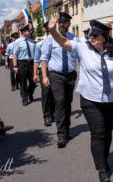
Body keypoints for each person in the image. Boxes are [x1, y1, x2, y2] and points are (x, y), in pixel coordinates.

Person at [47, 15, 113, 182]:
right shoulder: (83, 48)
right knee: (98, 133)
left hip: (112, 100)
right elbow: (63, 42)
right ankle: (101, 170)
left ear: (104, 37)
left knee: (108, 133)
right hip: (90, 100)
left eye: (94, 36)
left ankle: (103, 158)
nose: (91, 38)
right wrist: (53, 29)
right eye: (90, 35)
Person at [40, 12, 78, 148]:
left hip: (70, 75)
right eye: (60, 22)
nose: (62, 24)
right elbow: (43, 58)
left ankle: (67, 130)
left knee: (68, 102)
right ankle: (61, 134)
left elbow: (80, 56)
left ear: (68, 24)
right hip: (56, 75)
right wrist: (44, 76)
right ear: (57, 24)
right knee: (60, 101)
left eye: (64, 22)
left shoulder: (74, 39)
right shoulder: (50, 39)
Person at [33, 22, 55, 127]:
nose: (49, 33)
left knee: (54, 94)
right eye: (48, 31)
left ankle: (53, 112)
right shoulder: (39, 44)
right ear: (46, 32)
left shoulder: (58, 43)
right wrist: (35, 74)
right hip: (44, 71)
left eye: (51, 31)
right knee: (46, 93)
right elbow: (36, 60)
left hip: (55, 72)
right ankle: (47, 116)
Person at [12, 24, 36, 106]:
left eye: (29, 30)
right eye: (28, 30)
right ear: (23, 32)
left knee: (33, 81)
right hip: (22, 63)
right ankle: (24, 98)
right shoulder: (17, 42)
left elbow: (36, 54)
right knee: (23, 82)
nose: (29, 31)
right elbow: (14, 54)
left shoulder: (32, 41)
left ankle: (30, 93)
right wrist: (15, 66)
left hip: (31, 63)